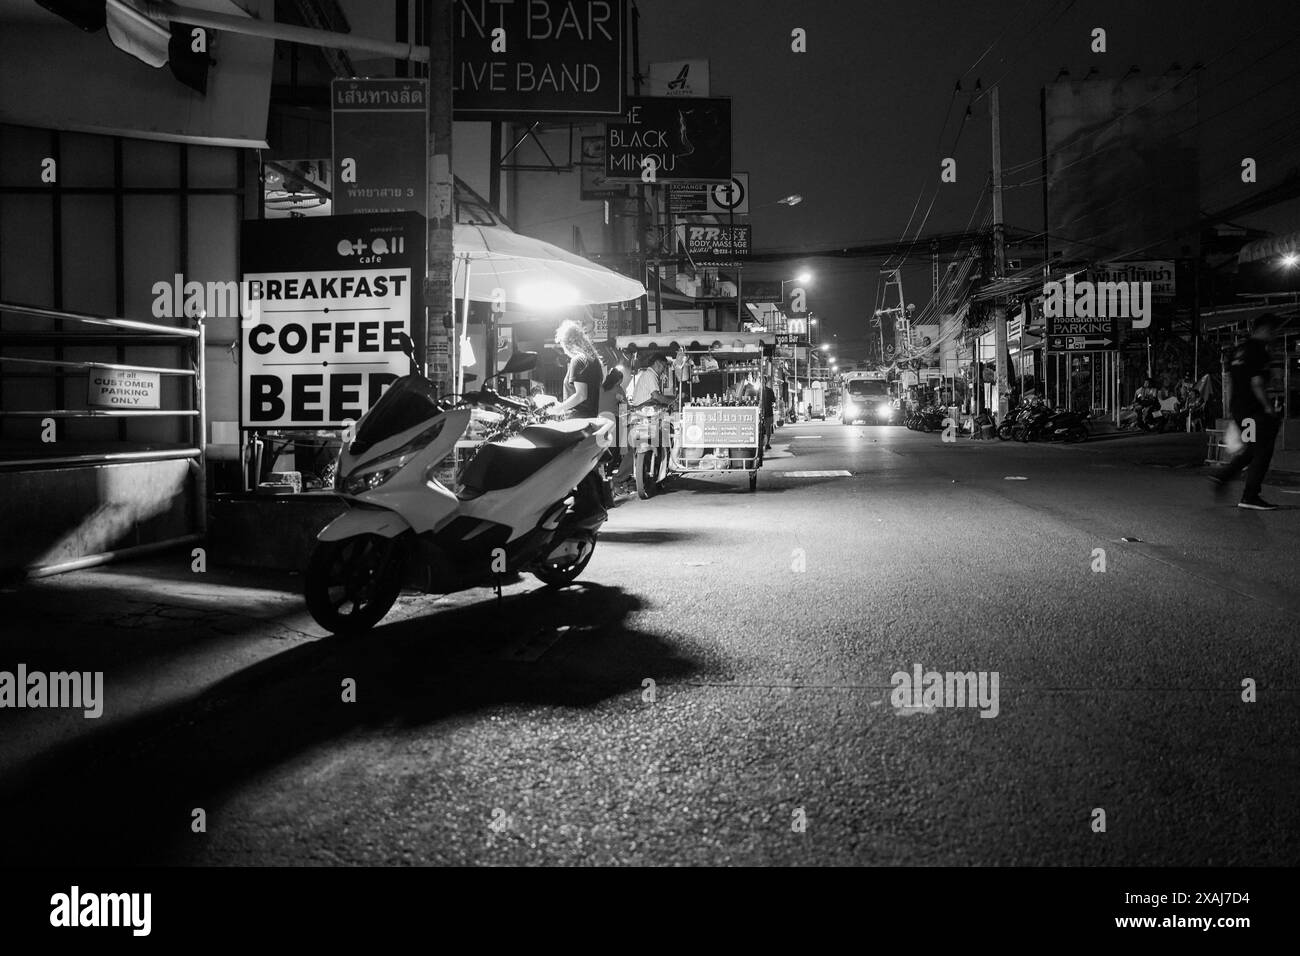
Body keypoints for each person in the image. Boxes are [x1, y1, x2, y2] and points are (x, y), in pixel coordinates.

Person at [1209, 313, 1281, 510]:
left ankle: (1223, 477)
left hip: (1241, 410)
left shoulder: (1239, 350)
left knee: (1251, 449)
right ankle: (1250, 496)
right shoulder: (1260, 351)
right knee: (1262, 451)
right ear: (1265, 329)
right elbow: (1257, 383)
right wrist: (1268, 408)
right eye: (1273, 331)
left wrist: (1233, 409)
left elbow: (1231, 382)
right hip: (1257, 412)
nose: (1275, 335)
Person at [550, 319, 603, 419]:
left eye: (563, 346)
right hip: (591, 418)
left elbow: (581, 395)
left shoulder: (578, 360)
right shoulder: (592, 360)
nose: (565, 352)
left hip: (578, 421)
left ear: (568, 343)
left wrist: (557, 409)